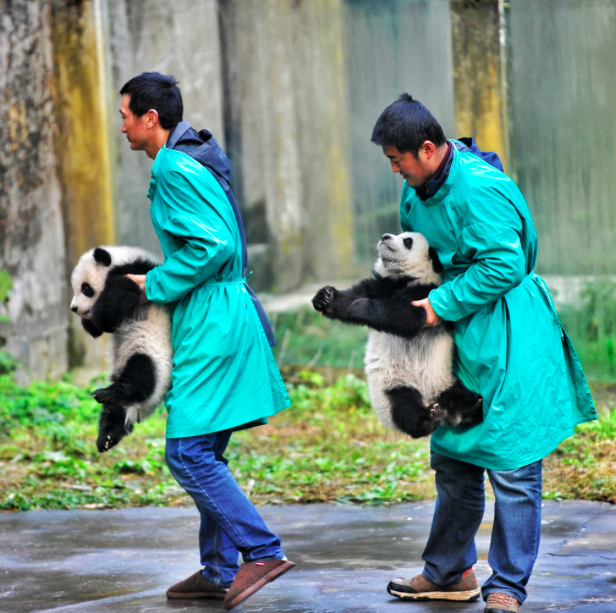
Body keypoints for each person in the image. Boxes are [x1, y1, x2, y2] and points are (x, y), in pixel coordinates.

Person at [371, 94, 596, 613]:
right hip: (456, 337)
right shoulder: (418, 190)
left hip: (507, 333)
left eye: (398, 159)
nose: (395, 170)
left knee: (512, 464)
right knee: (453, 458)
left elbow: (504, 267)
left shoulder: (479, 189)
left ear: (427, 149)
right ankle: (448, 572)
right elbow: (419, 254)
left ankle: (507, 587)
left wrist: (439, 305)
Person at [118, 72, 294, 611]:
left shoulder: (173, 166)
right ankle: (218, 570)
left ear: (152, 119)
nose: (120, 125)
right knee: (208, 445)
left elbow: (213, 246)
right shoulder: (190, 156)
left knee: (187, 452)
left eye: (125, 115)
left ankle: (261, 551)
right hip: (225, 309)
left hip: (214, 319)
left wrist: (155, 283)